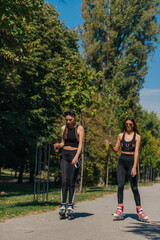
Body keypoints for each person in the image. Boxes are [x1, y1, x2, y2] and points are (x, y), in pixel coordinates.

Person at [106, 117, 149, 222]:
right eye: (126, 124)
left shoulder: (137, 137)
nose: (128, 126)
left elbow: (137, 152)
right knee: (120, 186)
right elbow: (116, 150)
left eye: (130, 124)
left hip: (131, 162)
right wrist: (111, 145)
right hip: (121, 161)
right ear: (124, 125)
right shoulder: (120, 135)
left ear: (133, 125)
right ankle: (120, 209)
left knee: (134, 187)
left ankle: (140, 211)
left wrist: (134, 167)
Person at [54, 110, 84, 220]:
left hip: (74, 155)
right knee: (64, 181)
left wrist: (76, 156)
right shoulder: (63, 128)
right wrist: (58, 145)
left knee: (71, 181)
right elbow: (63, 142)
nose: (68, 121)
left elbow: (80, 144)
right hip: (65, 155)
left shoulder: (79, 129)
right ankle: (63, 205)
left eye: (70, 120)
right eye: (66, 120)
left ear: (74, 118)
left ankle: (70, 206)